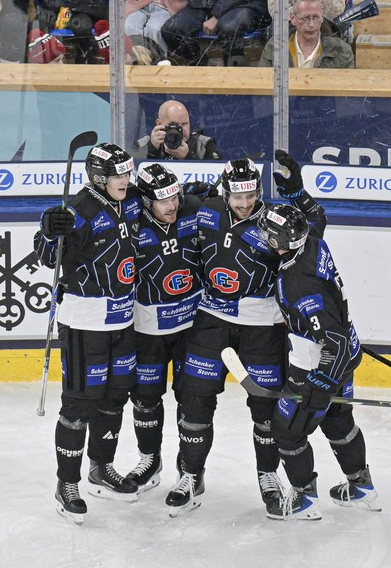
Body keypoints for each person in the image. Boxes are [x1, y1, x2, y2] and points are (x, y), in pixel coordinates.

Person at [257, 150, 379, 520]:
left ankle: (304, 499)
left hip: (318, 364)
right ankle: (360, 486)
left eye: (268, 235)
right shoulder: (310, 242)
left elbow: (333, 342)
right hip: (344, 356)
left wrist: (320, 383)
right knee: (338, 420)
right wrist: (296, 191)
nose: (264, 239)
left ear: (282, 242)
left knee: (287, 430)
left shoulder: (299, 284)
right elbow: (315, 216)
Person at [164, 158, 285, 517]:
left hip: (262, 324)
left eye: (250, 194)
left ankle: (269, 476)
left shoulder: (274, 221)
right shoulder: (206, 210)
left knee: (265, 408)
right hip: (212, 317)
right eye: (237, 195)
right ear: (224, 191)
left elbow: (309, 244)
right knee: (195, 400)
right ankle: (190, 474)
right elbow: (158, 208)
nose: (244, 203)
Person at [33, 142, 142, 525]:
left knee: (115, 398)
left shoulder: (129, 199)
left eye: (128, 173)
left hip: (123, 321)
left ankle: (101, 467)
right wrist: (49, 231)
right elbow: (46, 257)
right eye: (118, 175)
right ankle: (67, 484)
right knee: (80, 405)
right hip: (85, 324)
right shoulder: (78, 210)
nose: (125, 180)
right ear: (98, 178)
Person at [125, 162, 206, 493]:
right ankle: (149, 459)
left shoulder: (195, 209)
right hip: (147, 331)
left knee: (191, 400)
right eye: (162, 200)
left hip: (191, 327)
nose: (171, 205)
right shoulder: (128, 220)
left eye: (175, 196)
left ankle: (190, 471)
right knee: (145, 399)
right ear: (146, 201)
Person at [160, 0, 269, 67]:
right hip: (207, 3)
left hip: (243, 2)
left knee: (228, 28)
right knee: (171, 30)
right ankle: (202, 68)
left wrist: (216, 15)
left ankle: (233, 76)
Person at [258, 0, 355, 68]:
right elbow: (261, 86)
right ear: (292, 19)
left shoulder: (342, 51)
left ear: (322, 18)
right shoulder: (275, 47)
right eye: (305, 18)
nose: (311, 24)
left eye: (316, 17)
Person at [35, 0, 108, 64]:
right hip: (53, 8)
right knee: (38, 29)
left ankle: (83, 65)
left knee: (83, 26)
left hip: (82, 9)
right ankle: (42, 65)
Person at [132, 99, 222, 161]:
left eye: (185, 124)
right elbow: (134, 175)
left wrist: (188, 157)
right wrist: (152, 149)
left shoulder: (204, 145)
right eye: (174, 125)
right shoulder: (142, 145)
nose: (181, 130)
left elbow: (214, 178)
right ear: (159, 124)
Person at [124, 0, 189, 62]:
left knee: (154, 29)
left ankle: (158, 61)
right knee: (129, 25)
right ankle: (134, 60)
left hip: (167, 8)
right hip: (142, 5)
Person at [266, 0, 346, 23]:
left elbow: (336, 10)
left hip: (324, 20)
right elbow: (276, 10)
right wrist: (303, 17)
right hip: (292, 22)